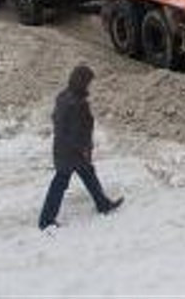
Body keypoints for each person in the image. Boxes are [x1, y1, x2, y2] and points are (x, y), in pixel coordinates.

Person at [38, 64, 123, 231]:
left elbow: (56, 119)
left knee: (88, 174)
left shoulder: (63, 96)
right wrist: (83, 148)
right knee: (60, 182)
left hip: (63, 147)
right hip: (72, 151)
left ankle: (103, 204)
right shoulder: (77, 103)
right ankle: (46, 220)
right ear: (82, 82)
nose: (89, 85)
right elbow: (77, 131)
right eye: (88, 82)